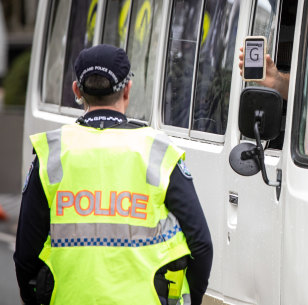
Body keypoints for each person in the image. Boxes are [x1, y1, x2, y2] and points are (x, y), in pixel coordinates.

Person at [13, 44, 213, 305]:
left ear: (76, 91)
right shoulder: (158, 151)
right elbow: (201, 243)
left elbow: (26, 253)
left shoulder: (52, 152)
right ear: (128, 89)